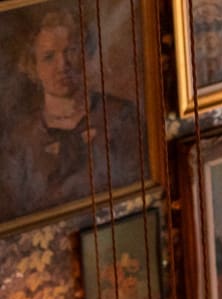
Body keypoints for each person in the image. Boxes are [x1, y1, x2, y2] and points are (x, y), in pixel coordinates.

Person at [1, 9, 141, 221]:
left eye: (71, 51)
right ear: (33, 67)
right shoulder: (19, 140)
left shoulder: (120, 116)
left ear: (86, 54)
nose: (62, 66)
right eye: (49, 57)